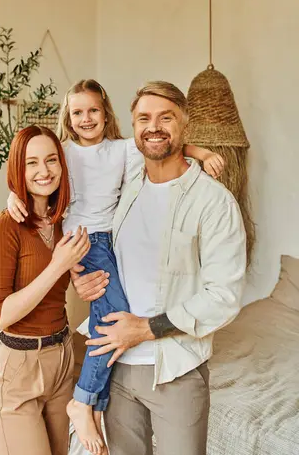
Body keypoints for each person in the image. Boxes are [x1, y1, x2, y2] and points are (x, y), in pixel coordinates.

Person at [8, 79, 225, 454]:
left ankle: (90, 399)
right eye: (78, 112)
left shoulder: (123, 149)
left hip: (110, 237)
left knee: (110, 313)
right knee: (114, 319)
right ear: (68, 117)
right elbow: (33, 169)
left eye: (93, 110)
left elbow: (160, 147)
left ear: (105, 113)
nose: (86, 118)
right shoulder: (62, 150)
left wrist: (201, 152)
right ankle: (84, 400)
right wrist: (13, 193)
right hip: (81, 239)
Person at [71, 80, 247, 455]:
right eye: (143, 118)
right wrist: (81, 280)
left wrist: (147, 329)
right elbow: (101, 250)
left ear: (185, 126)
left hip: (176, 371)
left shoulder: (214, 202)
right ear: (133, 127)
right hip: (115, 368)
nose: (154, 126)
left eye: (165, 117)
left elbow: (224, 297)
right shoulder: (126, 190)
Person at [0, 125, 90, 455]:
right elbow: (1, 315)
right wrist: (58, 264)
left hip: (61, 357)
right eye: (31, 163)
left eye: (51, 160)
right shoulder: (5, 225)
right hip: (19, 366)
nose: (44, 171)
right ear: (18, 167)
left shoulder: (65, 222)